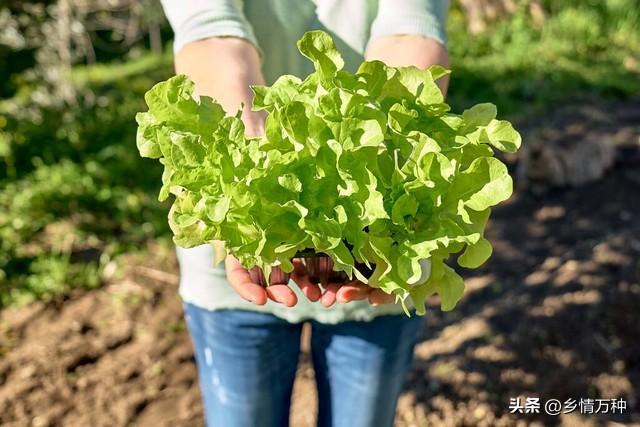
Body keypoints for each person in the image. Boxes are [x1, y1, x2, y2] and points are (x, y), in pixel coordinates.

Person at [159, 1, 449, 426]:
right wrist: (248, 169)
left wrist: (382, 185)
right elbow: (210, 30)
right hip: (242, 262)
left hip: (371, 257)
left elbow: (410, 32)